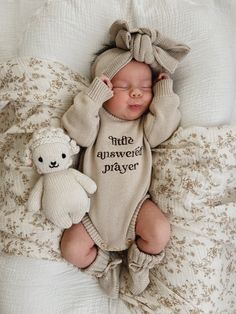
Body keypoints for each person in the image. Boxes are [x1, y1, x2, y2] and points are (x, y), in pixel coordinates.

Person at [60, 20, 190, 298]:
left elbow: (165, 129)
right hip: (91, 214)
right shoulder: (97, 120)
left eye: (145, 87)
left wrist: (164, 93)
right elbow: (77, 131)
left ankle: (138, 264)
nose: (136, 93)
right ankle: (103, 267)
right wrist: (93, 98)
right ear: (105, 87)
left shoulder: (144, 126)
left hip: (136, 209)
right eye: (123, 87)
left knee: (159, 231)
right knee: (71, 248)